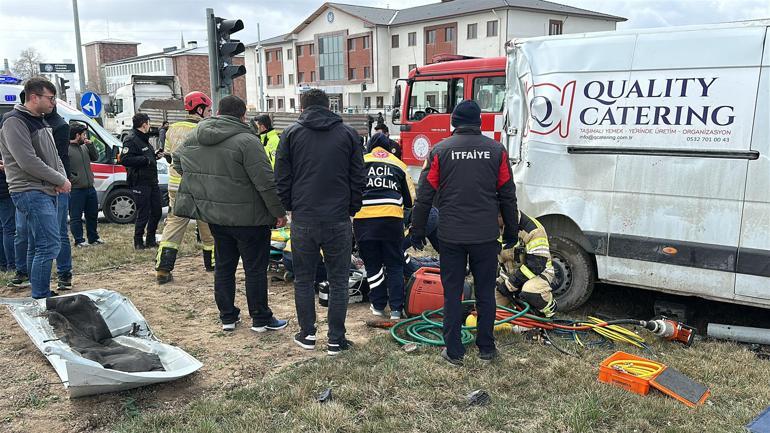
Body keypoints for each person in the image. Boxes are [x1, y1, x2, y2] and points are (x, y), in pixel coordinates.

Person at [411, 100, 518, 366]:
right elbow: (508, 194)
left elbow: (424, 196)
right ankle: (486, 349)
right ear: (479, 122)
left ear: (454, 123)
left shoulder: (440, 151)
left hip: (452, 235)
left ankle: (454, 351)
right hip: (485, 236)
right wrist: (512, 232)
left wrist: (417, 228)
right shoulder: (497, 151)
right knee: (484, 292)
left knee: (452, 292)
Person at [173, 95, 289, 333]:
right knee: (254, 268)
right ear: (243, 115)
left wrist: (203, 181)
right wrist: (278, 212)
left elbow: (177, 160)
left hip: (216, 216)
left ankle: (227, 317)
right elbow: (265, 182)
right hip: (250, 219)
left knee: (224, 267)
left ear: (216, 111)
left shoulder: (195, 136)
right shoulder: (247, 141)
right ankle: (260, 318)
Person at [275, 88, 365, 356]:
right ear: (329, 106)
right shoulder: (348, 134)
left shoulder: (291, 134)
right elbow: (358, 176)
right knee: (339, 280)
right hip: (338, 218)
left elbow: (281, 176)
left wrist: (291, 206)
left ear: (302, 107)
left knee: (303, 279)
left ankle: (308, 334)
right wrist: (352, 208)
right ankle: (337, 339)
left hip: (304, 218)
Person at [0, 77, 71, 299]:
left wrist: (61, 178)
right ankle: (41, 296)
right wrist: (59, 180)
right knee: (49, 245)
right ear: (34, 97)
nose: (53, 103)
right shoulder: (14, 121)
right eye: (50, 98)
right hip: (29, 190)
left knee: (38, 244)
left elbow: (54, 156)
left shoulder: (40, 119)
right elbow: (27, 161)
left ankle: (39, 292)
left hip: (45, 189)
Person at [155, 91, 214, 284]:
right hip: (199, 185)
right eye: (208, 109)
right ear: (199, 109)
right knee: (207, 224)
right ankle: (212, 263)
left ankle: (163, 269)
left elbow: (170, 156)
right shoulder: (204, 129)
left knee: (174, 225)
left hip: (175, 185)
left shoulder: (172, 128)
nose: (210, 113)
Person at [354, 132, 415, 320]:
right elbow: (411, 201)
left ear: (370, 147)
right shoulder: (398, 164)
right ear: (389, 148)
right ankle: (396, 309)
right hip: (391, 222)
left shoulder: (360, 162)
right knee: (395, 264)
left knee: (373, 264)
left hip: (364, 222)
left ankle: (378, 305)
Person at [496, 211, 557, 317]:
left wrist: (510, 284)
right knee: (487, 303)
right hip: (510, 275)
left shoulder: (533, 230)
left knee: (530, 291)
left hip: (538, 274)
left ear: (503, 215)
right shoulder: (495, 227)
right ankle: (517, 306)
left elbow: (536, 266)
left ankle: (548, 310)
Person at [121, 113, 163, 250]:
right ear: (144, 124)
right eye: (149, 123)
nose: (150, 126)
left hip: (152, 181)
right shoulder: (131, 139)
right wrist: (145, 160)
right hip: (140, 181)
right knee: (143, 212)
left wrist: (154, 156)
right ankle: (138, 241)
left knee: (157, 211)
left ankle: (151, 239)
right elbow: (125, 160)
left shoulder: (144, 139)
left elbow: (147, 156)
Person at [45, 107, 73, 290]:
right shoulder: (34, 122)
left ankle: (64, 273)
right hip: (39, 182)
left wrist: (59, 180)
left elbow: (60, 157)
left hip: (57, 183)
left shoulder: (60, 125)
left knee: (59, 232)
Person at [67, 123, 103, 248]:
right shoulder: (66, 149)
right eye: (83, 134)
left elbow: (96, 157)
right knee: (76, 216)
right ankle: (79, 240)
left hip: (89, 187)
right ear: (77, 135)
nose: (85, 136)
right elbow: (64, 168)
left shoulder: (84, 147)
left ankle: (93, 237)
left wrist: (91, 145)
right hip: (76, 189)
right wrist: (73, 179)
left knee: (92, 214)